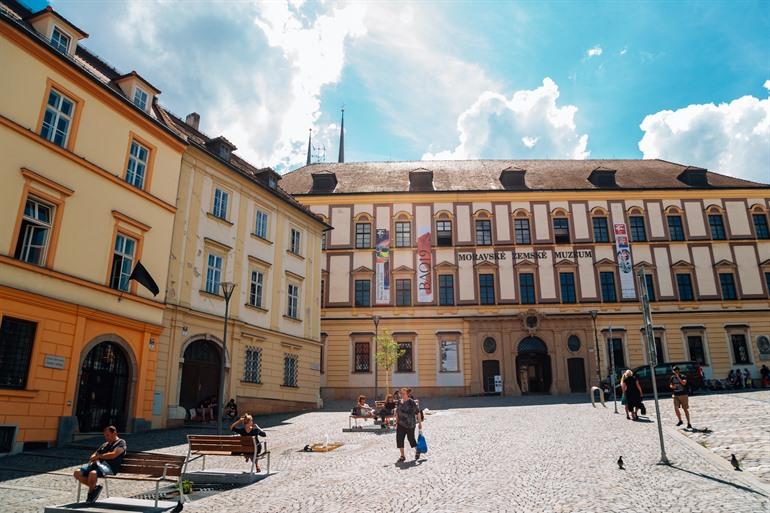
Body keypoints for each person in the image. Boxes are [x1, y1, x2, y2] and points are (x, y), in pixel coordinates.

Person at [73, 426, 126, 503]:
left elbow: (114, 454)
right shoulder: (105, 444)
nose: (106, 437)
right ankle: (95, 488)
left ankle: (90, 495)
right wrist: (93, 457)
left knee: (93, 473)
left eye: (107, 435)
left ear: (114, 433)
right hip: (97, 465)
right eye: (105, 435)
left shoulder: (121, 443)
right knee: (77, 473)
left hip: (109, 467)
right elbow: (95, 454)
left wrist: (99, 456)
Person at [395, 387, 422, 462]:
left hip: (410, 424)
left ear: (407, 394)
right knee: (399, 439)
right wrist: (396, 421)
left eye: (403, 393)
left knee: (411, 439)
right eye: (401, 393)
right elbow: (397, 412)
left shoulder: (411, 402)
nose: (401, 395)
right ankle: (402, 456)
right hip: (400, 424)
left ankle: (417, 450)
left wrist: (420, 423)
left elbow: (418, 412)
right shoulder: (399, 402)